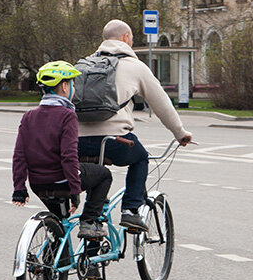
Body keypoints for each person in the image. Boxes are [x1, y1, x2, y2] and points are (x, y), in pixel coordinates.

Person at [77, 19, 192, 231]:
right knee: (140, 157)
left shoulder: (83, 65)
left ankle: (90, 246)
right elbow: (162, 105)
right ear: (125, 38)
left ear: (104, 40)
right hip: (114, 141)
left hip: (77, 143)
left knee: (97, 179)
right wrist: (180, 133)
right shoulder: (136, 67)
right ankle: (130, 210)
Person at [12, 61, 112, 240]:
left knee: (59, 225)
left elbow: (20, 155)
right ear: (65, 86)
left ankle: (54, 264)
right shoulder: (67, 115)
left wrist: (19, 188)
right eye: (73, 84)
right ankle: (89, 221)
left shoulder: (29, 116)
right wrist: (75, 190)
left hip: (38, 184)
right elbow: (68, 156)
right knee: (104, 175)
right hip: (62, 180)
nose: (74, 88)